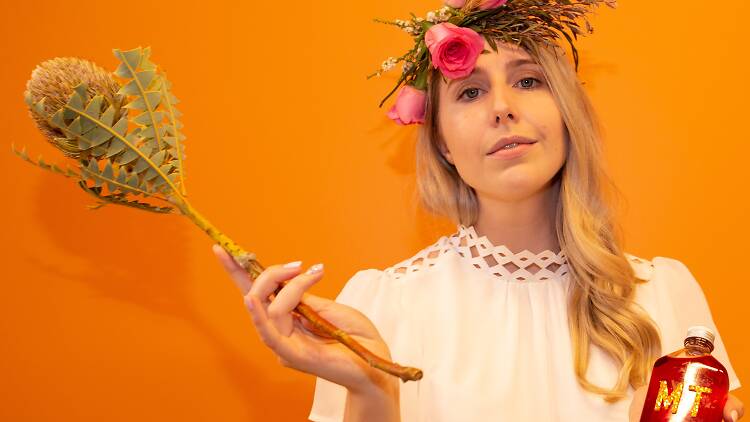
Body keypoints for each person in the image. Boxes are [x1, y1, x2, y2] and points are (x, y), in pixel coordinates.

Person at [213, 1, 745, 420]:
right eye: (469, 92)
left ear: (566, 113)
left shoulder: (665, 295)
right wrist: (369, 385)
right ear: (442, 143)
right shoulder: (382, 307)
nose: (502, 107)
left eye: (529, 80)